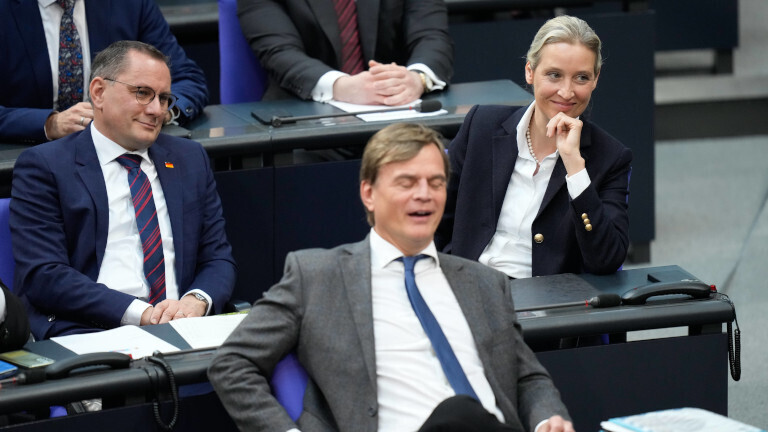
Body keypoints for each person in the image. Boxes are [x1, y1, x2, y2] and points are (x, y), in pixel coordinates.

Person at [209, 123, 574, 432]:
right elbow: (232, 363)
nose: (424, 195)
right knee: (458, 413)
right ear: (369, 193)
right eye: (407, 182)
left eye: (435, 182)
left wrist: (548, 418)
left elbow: (527, 378)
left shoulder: (483, 282)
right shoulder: (317, 276)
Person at [9, 40, 236, 340]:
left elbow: (218, 258)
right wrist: (140, 314)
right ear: (99, 92)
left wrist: (196, 301)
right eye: (142, 93)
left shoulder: (189, 159)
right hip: (90, 331)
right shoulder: (45, 167)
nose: (157, 110)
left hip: (184, 328)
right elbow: (45, 276)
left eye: (165, 98)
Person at [436, 15, 632, 279]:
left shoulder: (610, 157)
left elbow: (606, 260)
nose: (566, 91)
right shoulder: (481, 125)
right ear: (530, 71)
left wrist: (575, 167)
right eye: (554, 75)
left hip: (542, 304)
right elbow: (436, 213)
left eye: (581, 78)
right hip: (466, 283)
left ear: (596, 79)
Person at [0, 0, 208, 143]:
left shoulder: (129, 5)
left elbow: (187, 79)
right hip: (26, 156)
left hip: (123, 152)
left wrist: (159, 112)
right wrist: (50, 123)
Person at [237, 0, 454, 106]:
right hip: (305, 116)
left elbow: (432, 36)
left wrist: (417, 79)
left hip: (397, 111)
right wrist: (341, 86)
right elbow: (279, 52)